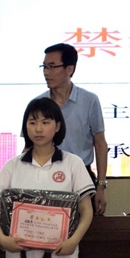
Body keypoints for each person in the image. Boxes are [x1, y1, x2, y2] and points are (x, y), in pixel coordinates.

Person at [0, 97, 95, 258]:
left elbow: (87, 211)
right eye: (32, 122)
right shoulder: (13, 165)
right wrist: (2, 240)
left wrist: (73, 241)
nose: (38, 129)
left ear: (58, 126)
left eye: (46, 122)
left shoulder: (73, 163)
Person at [36, 43, 108, 215]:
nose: (46, 72)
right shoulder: (38, 104)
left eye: (52, 67)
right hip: (45, 177)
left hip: (82, 178)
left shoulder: (89, 100)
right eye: (44, 67)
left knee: (86, 226)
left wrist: (101, 186)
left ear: (69, 69)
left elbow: (100, 143)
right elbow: (29, 147)